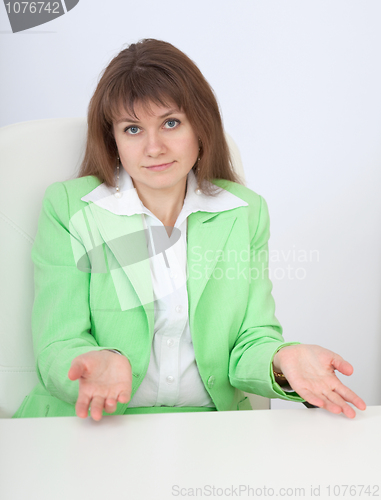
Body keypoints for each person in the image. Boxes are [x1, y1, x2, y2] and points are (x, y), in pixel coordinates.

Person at [13, 39, 366, 421]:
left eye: (170, 123)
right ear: (112, 138)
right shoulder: (70, 208)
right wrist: (97, 361)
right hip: (94, 427)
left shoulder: (243, 212)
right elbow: (58, 342)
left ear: (200, 125)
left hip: (208, 431)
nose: (154, 148)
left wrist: (283, 360)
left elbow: (250, 341)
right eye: (132, 129)